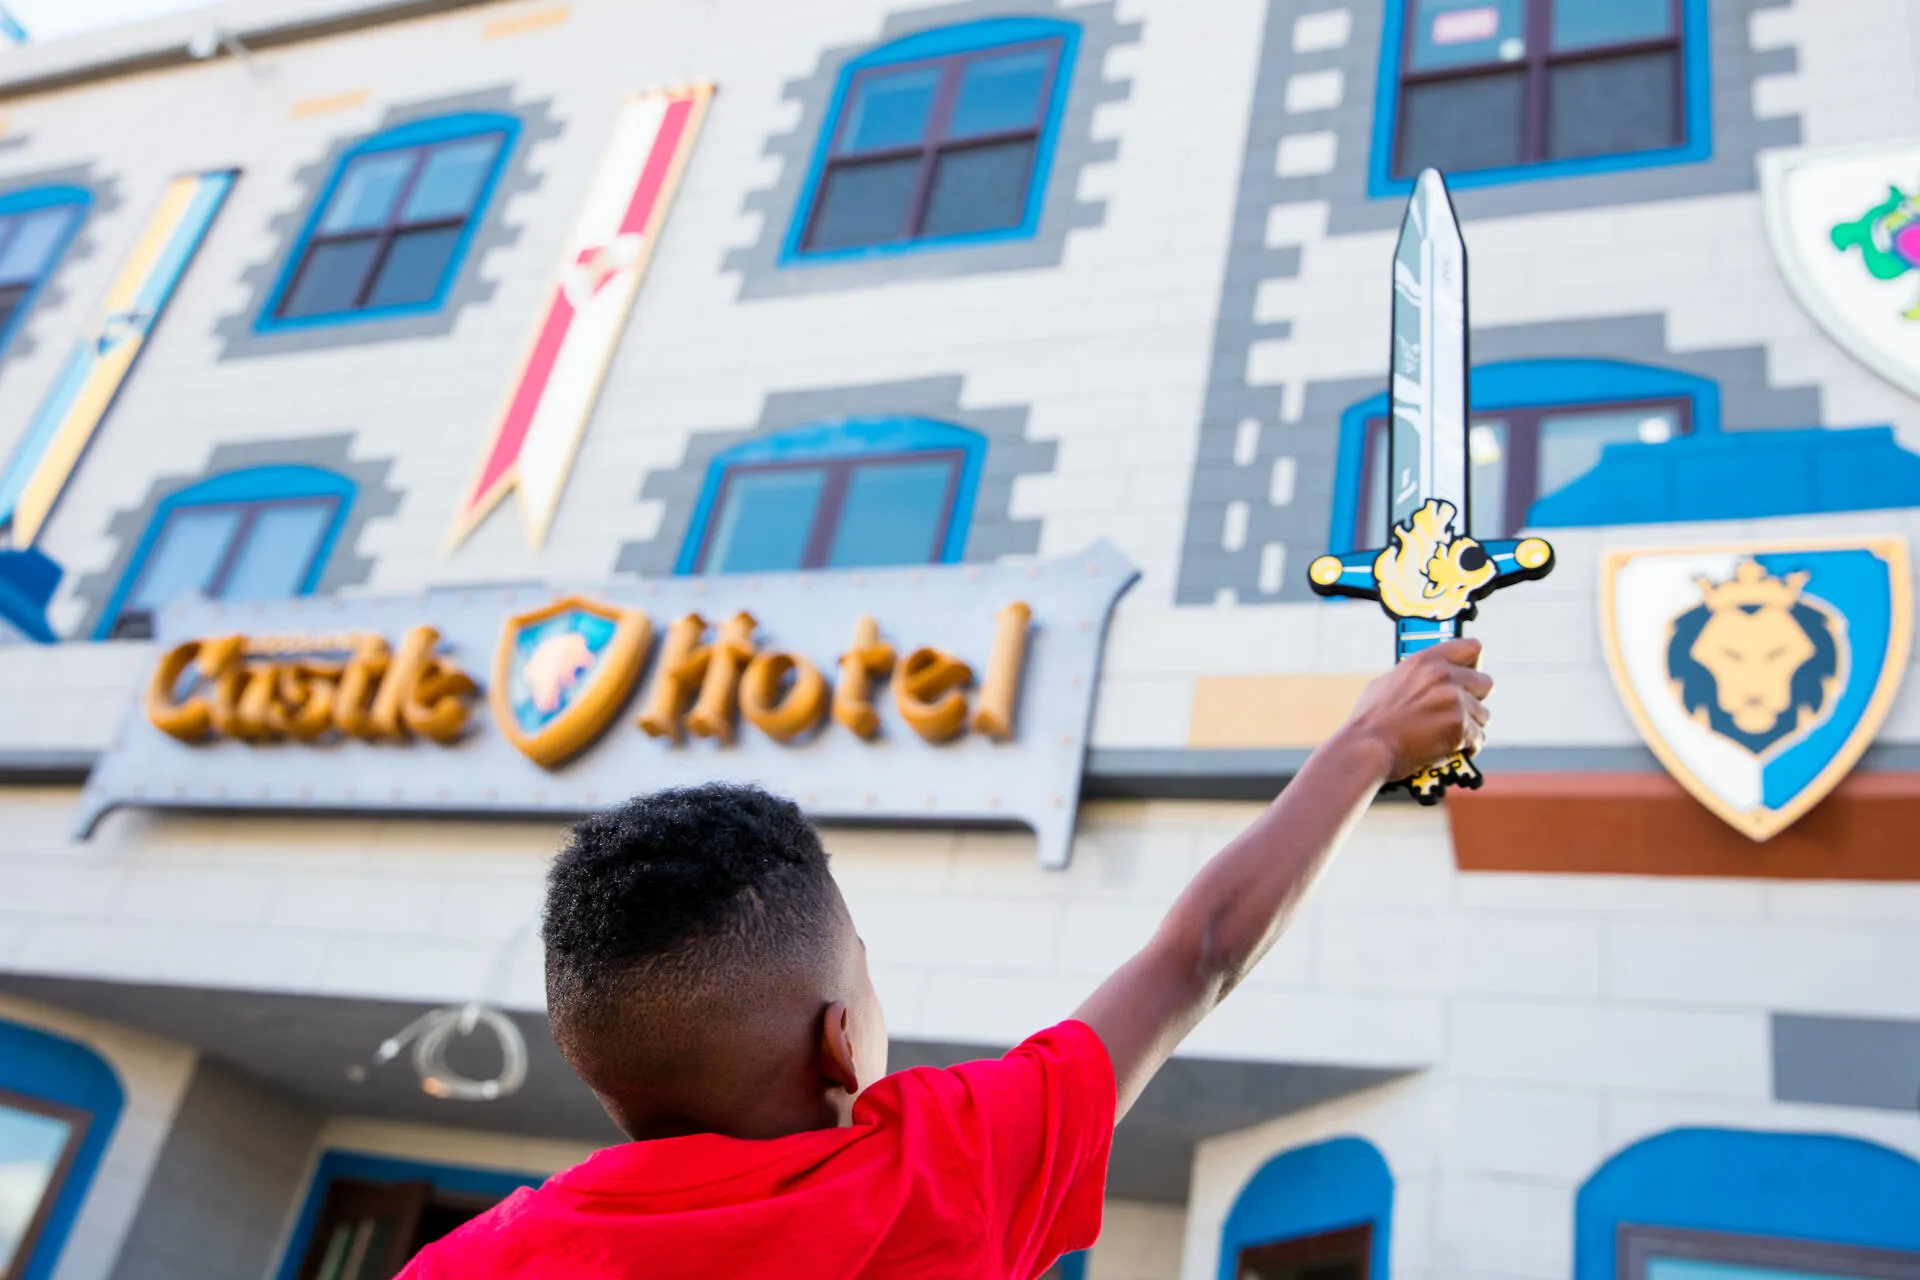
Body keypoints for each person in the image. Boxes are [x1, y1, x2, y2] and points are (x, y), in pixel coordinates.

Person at [399, 638, 1493, 1279]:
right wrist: (1369, 743)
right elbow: (1196, 953)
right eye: (864, 966)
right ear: (840, 1040)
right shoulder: (932, 1177)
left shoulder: (471, 1261)